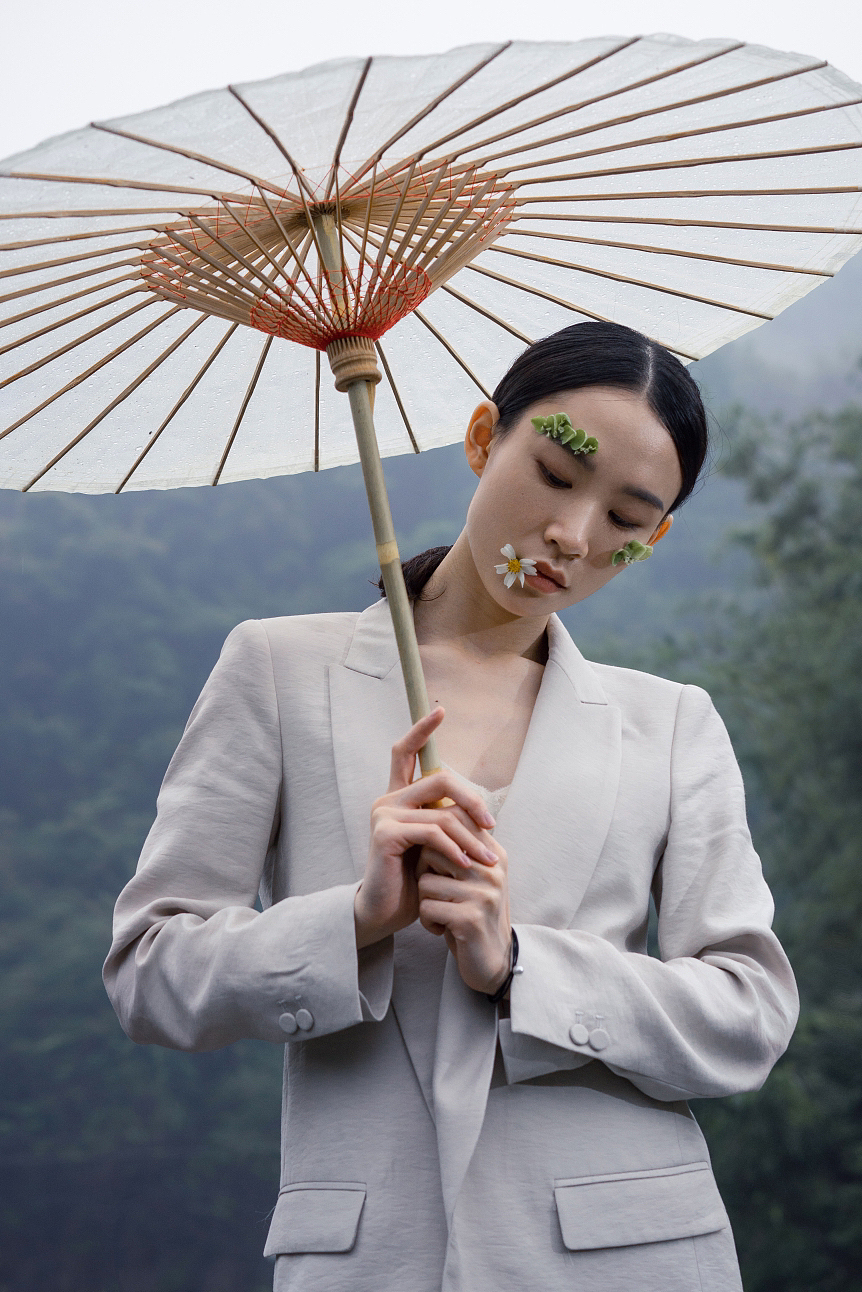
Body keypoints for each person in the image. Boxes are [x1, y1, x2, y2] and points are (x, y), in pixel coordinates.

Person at [104, 321, 798, 1292]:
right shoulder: (277, 668)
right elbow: (148, 969)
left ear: (657, 537)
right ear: (482, 438)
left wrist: (522, 964)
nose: (573, 535)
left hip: (631, 1257)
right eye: (555, 473)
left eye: (625, 518)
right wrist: (355, 919)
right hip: (372, 1260)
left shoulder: (673, 724)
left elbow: (749, 1012)